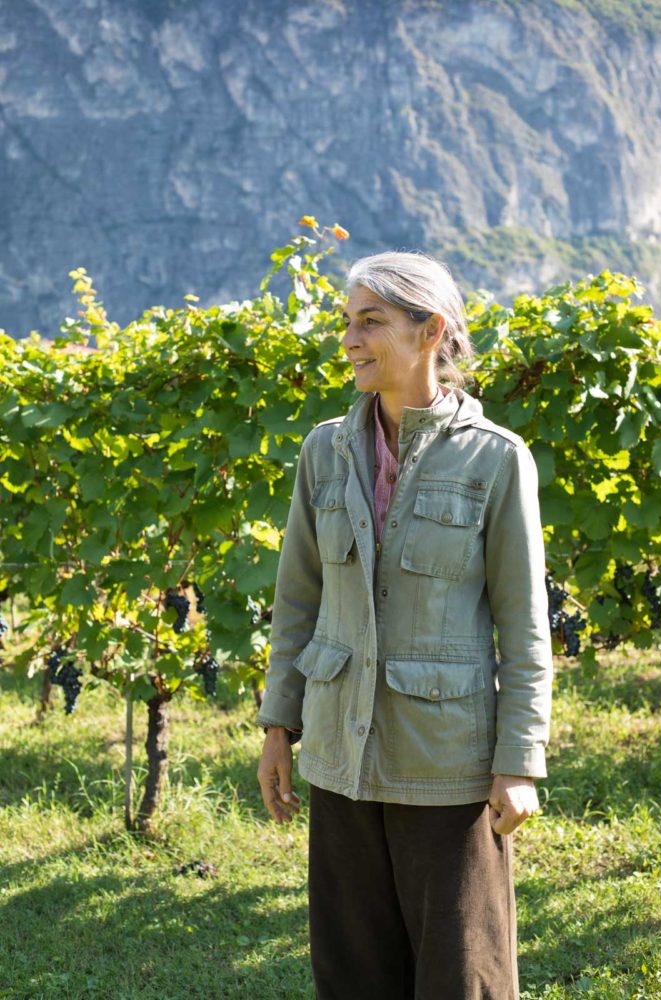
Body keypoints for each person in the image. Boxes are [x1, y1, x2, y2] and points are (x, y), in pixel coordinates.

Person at [256, 250, 553, 1000]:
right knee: (353, 972)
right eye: (346, 323)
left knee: (463, 975)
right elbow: (298, 599)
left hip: (444, 760)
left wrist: (517, 761)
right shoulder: (323, 450)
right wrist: (276, 727)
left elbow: (523, 628)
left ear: (431, 332)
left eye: (370, 321)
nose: (349, 340)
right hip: (339, 750)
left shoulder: (495, 460)